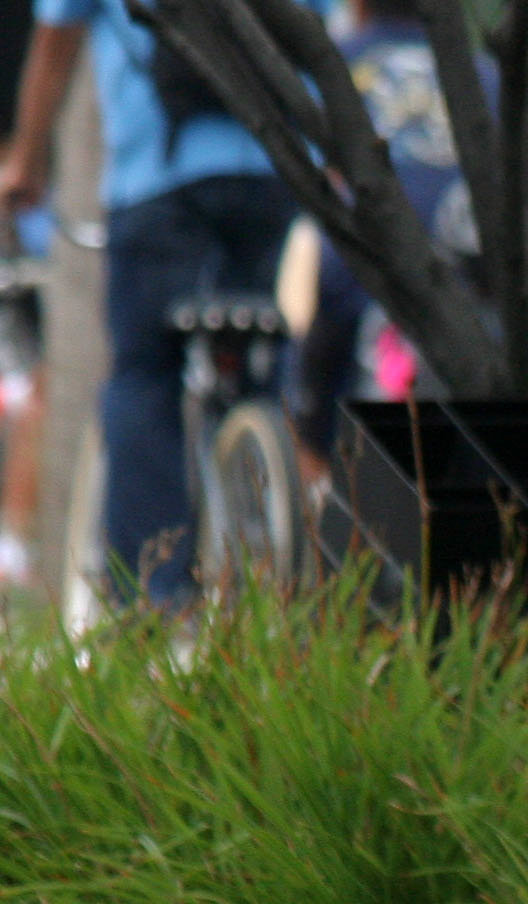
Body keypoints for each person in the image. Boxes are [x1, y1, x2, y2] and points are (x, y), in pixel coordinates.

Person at [0, 0, 304, 606]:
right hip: (273, 179)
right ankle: (270, 545)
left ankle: (154, 598)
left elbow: (56, 38)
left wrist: (27, 163)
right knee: (258, 359)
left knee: (144, 374)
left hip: (158, 180)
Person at [288, 0, 487, 476]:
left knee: (310, 371)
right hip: (466, 281)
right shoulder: (481, 74)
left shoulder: (337, 63)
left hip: (362, 276)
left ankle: (315, 478)